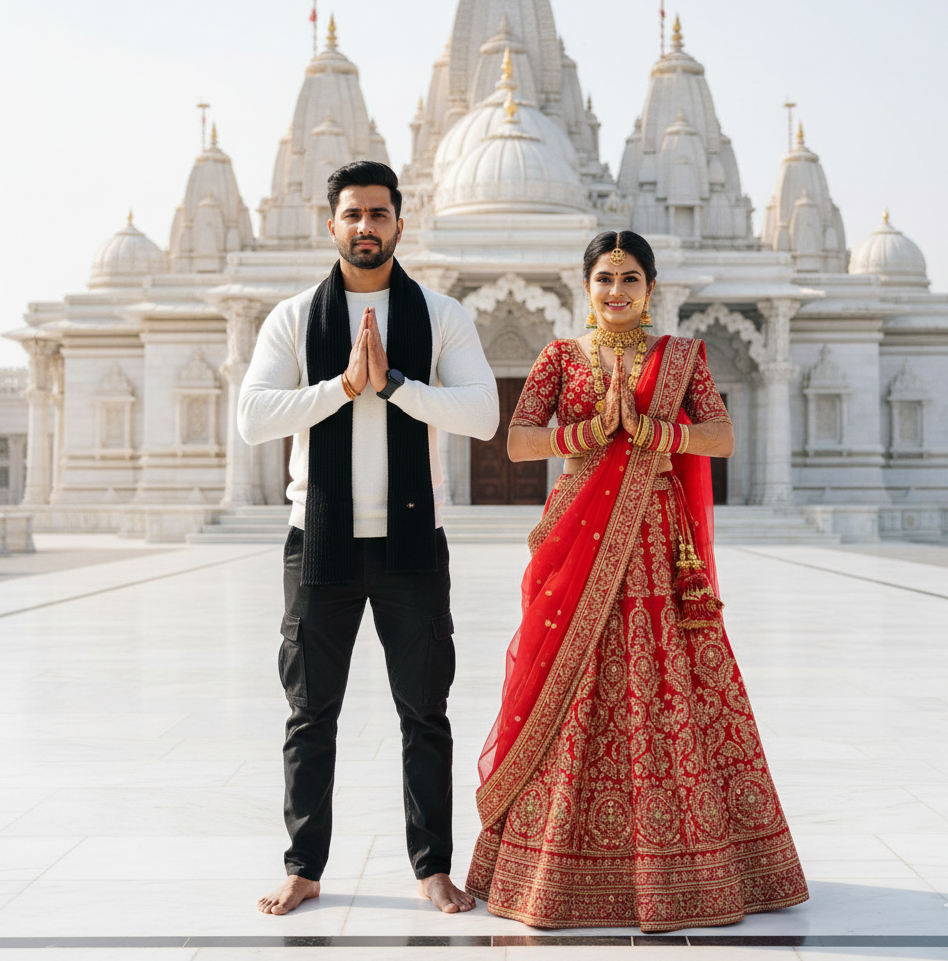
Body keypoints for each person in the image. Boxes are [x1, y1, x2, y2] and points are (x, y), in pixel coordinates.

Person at [466, 230, 809, 932]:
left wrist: (657, 435)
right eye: (604, 278)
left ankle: (690, 861)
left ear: (650, 288)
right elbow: (520, 441)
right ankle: (551, 864)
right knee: (569, 677)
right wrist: (586, 434)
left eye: (629, 279)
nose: (616, 291)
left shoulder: (681, 359)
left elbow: (720, 436)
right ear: (585, 287)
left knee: (667, 680)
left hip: (655, 538)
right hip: (577, 536)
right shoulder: (560, 357)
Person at [238, 160, 498, 916]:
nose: (365, 227)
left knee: (425, 713)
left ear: (399, 225)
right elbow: (253, 417)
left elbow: (483, 415)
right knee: (309, 712)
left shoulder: (440, 315)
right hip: (319, 542)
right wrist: (344, 388)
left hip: (411, 544)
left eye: (378, 214)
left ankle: (432, 867)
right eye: (352, 214)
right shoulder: (294, 317)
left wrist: (396, 387)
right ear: (332, 225)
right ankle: (303, 867)